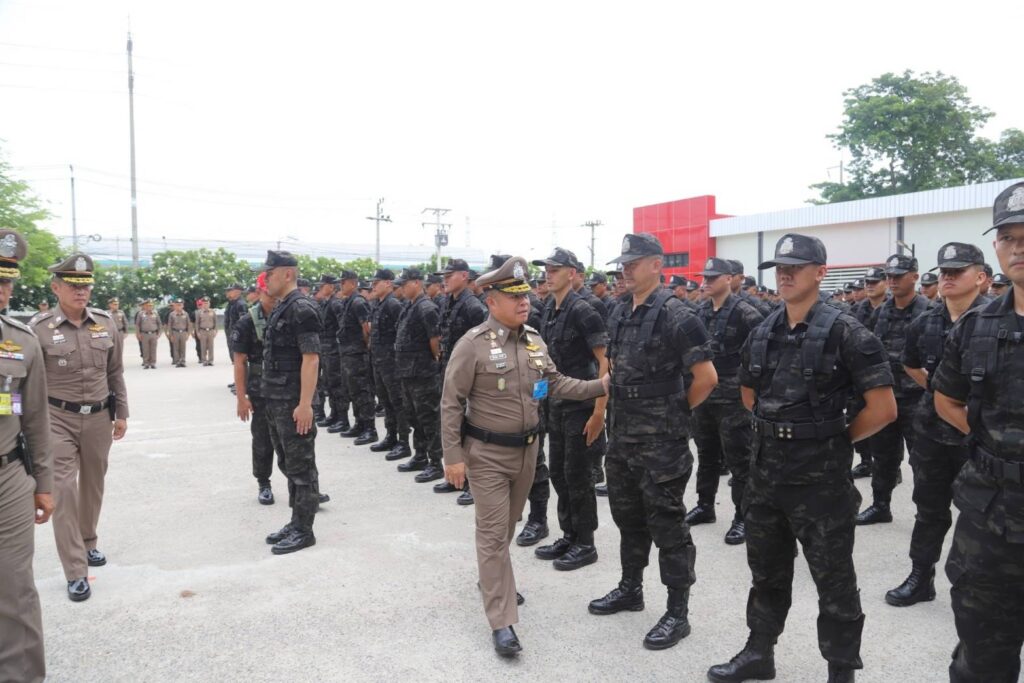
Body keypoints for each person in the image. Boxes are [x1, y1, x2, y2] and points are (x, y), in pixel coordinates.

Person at [708, 233, 896, 683]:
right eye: (780, 268)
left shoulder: (847, 331)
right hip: (766, 478)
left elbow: (884, 408)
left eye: (796, 267)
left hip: (821, 484)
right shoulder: (764, 330)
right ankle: (760, 653)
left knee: (834, 580)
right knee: (766, 573)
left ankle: (840, 670)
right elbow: (748, 393)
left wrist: (832, 439)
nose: (786, 275)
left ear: (821, 272)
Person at [440, 255, 607, 656]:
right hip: (487, 455)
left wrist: (601, 386)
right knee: (493, 533)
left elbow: (557, 383)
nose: (524, 302)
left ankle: (492, 577)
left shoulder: (534, 340)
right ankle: (502, 621)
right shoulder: (472, 344)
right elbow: (451, 402)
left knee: (507, 526)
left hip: (528, 452)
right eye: (513, 296)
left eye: (525, 294)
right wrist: (453, 456)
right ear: (491, 301)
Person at [588, 233, 718, 651]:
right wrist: (601, 411)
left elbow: (706, 378)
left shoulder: (678, 315)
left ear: (657, 265)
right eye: (623, 264)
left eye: (634, 262)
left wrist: (675, 414)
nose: (625, 270)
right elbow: (611, 369)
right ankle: (631, 589)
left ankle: (678, 612)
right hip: (623, 438)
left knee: (667, 525)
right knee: (628, 519)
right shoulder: (619, 310)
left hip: (662, 444)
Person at [932, 182, 1024, 682]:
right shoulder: (976, 325)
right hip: (991, 519)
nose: (1019, 247)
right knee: (982, 654)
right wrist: (993, 443)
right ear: (996, 247)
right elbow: (945, 397)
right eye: (1008, 237)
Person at [886, 242, 989, 609]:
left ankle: (980, 588)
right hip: (932, 431)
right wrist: (939, 391)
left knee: (983, 516)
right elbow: (910, 362)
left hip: (981, 438)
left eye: (956, 272)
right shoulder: (925, 321)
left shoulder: (996, 320)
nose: (947, 277)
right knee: (929, 509)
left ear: (980, 277)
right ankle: (921, 576)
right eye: (944, 272)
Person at [31, 253, 129, 602]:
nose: (80, 291)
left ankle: (88, 542)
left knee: (93, 485)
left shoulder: (105, 323)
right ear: (56, 288)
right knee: (63, 491)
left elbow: (115, 371)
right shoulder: (39, 328)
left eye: (85, 286)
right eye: (73, 285)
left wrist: (122, 413)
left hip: (99, 417)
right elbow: (28, 382)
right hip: (57, 419)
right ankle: (75, 569)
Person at [530, 247, 609, 570]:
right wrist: (538, 398)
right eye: (546, 270)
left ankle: (586, 543)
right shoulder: (550, 308)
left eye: (555, 270)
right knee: (560, 474)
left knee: (578, 476)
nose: (547, 275)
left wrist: (599, 413)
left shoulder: (584, 310)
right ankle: (569, 534)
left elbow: (605, 362)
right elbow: (546, 363)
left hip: (581, 404)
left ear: (572, 273)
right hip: (556, 404)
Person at [0, 229, 53, 682]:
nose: (2, 290)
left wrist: (44, 484)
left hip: (8, 479)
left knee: (14, 588)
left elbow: (34, 418)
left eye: (6, 281)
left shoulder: (21, 341)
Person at [686, 257, 765, 545]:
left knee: (740, 460)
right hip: (705, 395)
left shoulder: (746, 313)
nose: (705, 282)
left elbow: (761, 353)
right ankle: (705, 505)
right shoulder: (700, 311)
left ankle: (743, 517)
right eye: (704, 277)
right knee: (706, 454)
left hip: (734, 398)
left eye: (712, 277)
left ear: (729, 279)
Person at [857, 253, 931, 525]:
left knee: (921, 459)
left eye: (899, 276)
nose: (892, 281)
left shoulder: (929, 312)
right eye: (889, 276)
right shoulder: (881, 312)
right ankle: (881, 506)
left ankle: (926, 513)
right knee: (883, 455)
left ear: (915, 277)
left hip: (917, 397)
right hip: (886, 395)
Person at [258, 251, 322, 554]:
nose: (265, 279)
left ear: (286, 274)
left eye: (269, 273)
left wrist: (305, 404)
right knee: (287, 462)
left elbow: (311, 359)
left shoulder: (302, 308)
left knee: (301, 467)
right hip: (276, 399)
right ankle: (296, 521)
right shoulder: (282, 306)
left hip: (294, 403)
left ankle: (304, 530)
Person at [434, 258, 487, 499]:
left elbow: (483, 345)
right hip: (449, 370)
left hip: (469, 375)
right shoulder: (448, 301)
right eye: (444, 276)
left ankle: (472, 484)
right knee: (452, 424)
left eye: (450, 275)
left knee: (470, 428)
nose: (445, 280)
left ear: (464, 276)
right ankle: (456, 477)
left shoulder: (473, 306)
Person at [230, 272, 278, 505]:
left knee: (295, 440)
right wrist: (242, 398)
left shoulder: (288, 314)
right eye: (269, 292)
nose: (274, 297)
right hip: (260, 390)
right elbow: (240, 362)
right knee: (262, 439)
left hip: (287, 388)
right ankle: (264, 483)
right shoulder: (247, 321)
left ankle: (304, 486)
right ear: (260, 292)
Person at [393, 268, 444, 481]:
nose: (402, 288)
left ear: (416, 283)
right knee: (413, 416)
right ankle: (420, 455)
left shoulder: (426, 308)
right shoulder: (409, 306)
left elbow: (435, 341)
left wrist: (433, 363)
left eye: (405, 284)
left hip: (423, 373)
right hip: (408, 372)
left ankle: (436, 463)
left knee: (429, 418)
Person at [368, 269, 410, 461]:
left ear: (387, 283)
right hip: (379, 361)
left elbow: (402, 333)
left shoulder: (393, 304)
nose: (373, 286)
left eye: (376, 282)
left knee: (397, 402)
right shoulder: (379, 303)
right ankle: (391, 436)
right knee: (385, 401)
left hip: (392, 362)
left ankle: (403, 442)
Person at [335, 270, 377, 445]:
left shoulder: (358, 302)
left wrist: (363, 348)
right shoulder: (348, 301)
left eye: (343, 282)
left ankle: (370, 428)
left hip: (357, 354)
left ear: (352, 283)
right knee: (352, 390)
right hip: (347, 353)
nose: (340, 286)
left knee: (362, 391)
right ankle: (359, 423)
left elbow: (366, 328)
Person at [223, 283, 246, 391]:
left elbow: (242, 322)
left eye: (230, 290)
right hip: (232, 334)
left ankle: (242, 383)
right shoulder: (232, 303)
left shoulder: (241, 304)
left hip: (238, 335)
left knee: (240, 361)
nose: (227, 292)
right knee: (234, 360)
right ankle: (237, 381)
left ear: (238, 291)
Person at [165, 298, 192, 368]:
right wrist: (171, 335)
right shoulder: (171, 314)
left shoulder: (186, 314)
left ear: (183, 306)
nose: (179, 306)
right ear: (175, 306)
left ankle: (182, 361)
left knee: (183, 347)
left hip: (183, 332)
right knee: (176, 348)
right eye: (177, 305)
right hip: (175, 332)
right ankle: (177, 361)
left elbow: (188, 324)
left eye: (180, 305)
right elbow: (170, 325)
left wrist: (188, 334)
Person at [135, 299, 161, 369]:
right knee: (145, 349)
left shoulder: (155, 313)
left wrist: (159, 333)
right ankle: (146, 363)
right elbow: (137, 325)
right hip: (144, 334)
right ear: (145, 306)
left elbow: (159, 324)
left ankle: (153, 363)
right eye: (148, 306)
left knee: (153, 349)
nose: (150, 307)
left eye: (151, 306)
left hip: (153, 333)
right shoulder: (140, 314)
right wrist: (138, 334)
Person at [193, 296, 218, 366]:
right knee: (203, 346)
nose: (206, 304)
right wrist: (198, 332)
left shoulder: (213, 312)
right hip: (202, 331)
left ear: (209, 304)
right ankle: (204, 360)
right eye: (204, 303)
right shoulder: (199, 312)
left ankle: (210, 360)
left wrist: (215, 331)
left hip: (211, 331)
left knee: (211, 346)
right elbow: (197, 323)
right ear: (202, 304)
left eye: (207, 303)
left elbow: (215, 322)